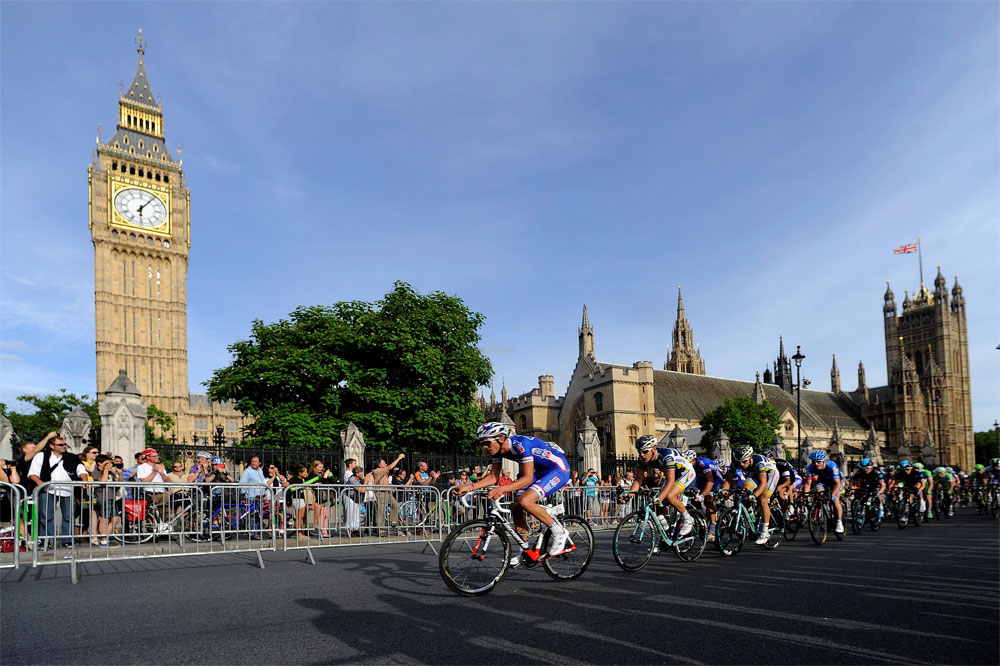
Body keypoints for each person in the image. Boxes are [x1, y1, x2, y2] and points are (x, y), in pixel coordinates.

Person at [458, 422, 572, 565]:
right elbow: (493, 477)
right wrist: (470, 487)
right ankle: (524, 549)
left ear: (500, 438)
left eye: (487, 443)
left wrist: (502, 489)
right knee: (516, 506)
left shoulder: (520, 444)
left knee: (525, 500)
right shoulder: (499, 451)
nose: (484, 447)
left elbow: (528, 478)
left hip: (558, 469)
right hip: (541, 471)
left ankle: (559, 532)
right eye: (482, 443)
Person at [27, 435, 88, 549]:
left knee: (69, 516)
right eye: (60, 445)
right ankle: (46, 541)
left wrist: (84, 480)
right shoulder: (41, 456)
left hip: (67, 490)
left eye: (65, 444)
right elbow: (32, 473)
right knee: (46, 516)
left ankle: (68, 540)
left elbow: (81, 469)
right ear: (51, 446)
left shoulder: (71, 457)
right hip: (47, 490)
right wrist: (40, 483)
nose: (64, 446)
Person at [732, 445, 779, 545]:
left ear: (750, 458)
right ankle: (750, 516)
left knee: (762, 499)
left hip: (770, 474)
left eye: (744, 461)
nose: (741, 464)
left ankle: (765, 532)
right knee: (743, 491)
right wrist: (725, 492)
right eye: (739, 461)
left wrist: (754, 495)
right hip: (754, 474)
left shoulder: (759, 461)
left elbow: (763, 483)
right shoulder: (737, 462)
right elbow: (728, 479)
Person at [801, 450, 845, 535]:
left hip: (836, 481)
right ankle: (821, 507)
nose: (816, 464)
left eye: (818, 462)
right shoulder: (810, 468)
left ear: (824, 460)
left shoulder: (832, 466)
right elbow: (807, 484)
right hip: (824, 480)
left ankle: (839, 522)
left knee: (835, 499)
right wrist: (805, 495)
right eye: (814, 462)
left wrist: (833, 495)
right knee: (817, 491)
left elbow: (837, 483)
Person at [93, 454, 121, 547]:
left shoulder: (110, 472)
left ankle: (104, 538)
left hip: (112, 497)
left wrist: (119, 474)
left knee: (116, 519)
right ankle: (104, 540)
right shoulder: (95, 471)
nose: (109, 465)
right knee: (104, 519)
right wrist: (105, 469)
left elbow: (119, 483)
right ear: (99, 463)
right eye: (106, 463)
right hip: (102, 497)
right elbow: (102, 481)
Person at [372, 454, 405, 533]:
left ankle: (392, 521)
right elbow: (390, 467)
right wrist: (399, 458)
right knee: (380, 512)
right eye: (384, 463)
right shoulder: (377, 471)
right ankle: (381, 531)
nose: (386, 464)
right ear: (379, 465)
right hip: (380, 493)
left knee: (396, 505)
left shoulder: (384, 472)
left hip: (387, 492)